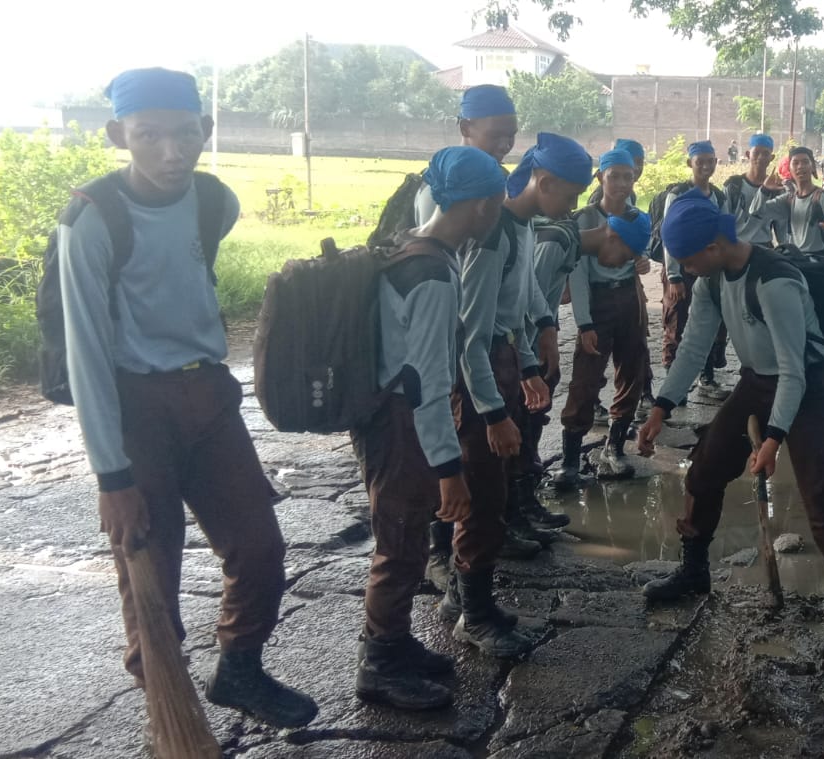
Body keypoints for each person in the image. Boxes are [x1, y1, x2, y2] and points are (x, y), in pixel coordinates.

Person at [58, 67, 317, 729]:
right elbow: (86, 351)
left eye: (183, 133)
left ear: (204, 129)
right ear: (120, 134)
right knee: (150, 576)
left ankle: (240, 667)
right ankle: (168, 715)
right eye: (148, 135)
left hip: (209, 395)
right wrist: (111, 475)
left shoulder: (212, 200)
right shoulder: (93, 220)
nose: (170, 151)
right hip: (134, 407)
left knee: (259, 545)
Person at [636, 195, 824, 660]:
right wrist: (662, 406)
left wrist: (773, 439)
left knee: (822, 503)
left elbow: (794, 370)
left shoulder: (775, 281)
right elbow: (693, 346)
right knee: (705, 469)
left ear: (713, 246)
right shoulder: (713, 282)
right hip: (756, 381)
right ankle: (694, 570)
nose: (686, 270)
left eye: (689, 260)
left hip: (807, 386)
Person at [351, 145, 508, 710]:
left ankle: (393, 642)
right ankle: (379, 665)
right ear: (485, 205)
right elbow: (426, 382)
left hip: (387, 414)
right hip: (402, 422)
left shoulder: (407, 244)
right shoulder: (435, 272)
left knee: (408, 535)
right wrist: (449, 470)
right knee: (399, 541)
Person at [416, 90, 571, 600]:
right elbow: (467, 323)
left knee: (490, 470)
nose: (504, 142)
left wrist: (532, 343)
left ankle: (487, 546)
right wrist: (488, 407)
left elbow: (518, 287)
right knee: (461, 470)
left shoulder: (502, 209)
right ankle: (448, 567)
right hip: (455, 356)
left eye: (511, 133)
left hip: (492, 345)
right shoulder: (460, 203)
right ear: (464, 128)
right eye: (494, 133)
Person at [556, 148, 653, 484]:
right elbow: (578, 276)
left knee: (632, 369)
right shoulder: (582, 221)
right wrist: (584, 323)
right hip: (596, 302)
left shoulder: (637, 218)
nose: (622, 183)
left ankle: (615, 446)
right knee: (586, 376)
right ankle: (570, 458)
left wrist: (642, 263)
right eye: (615, 176)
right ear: (601, 177)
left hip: (629, 297)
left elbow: (642, 257)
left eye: (629, 176)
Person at [659, 141, 731, 395]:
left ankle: (707, 377)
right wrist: (674, 274)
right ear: (690, 162)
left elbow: (724, 233)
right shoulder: (678, 194)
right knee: (676, 323)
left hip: (709, 268)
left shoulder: (719, 196)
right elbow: (669, 236)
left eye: (710, 160)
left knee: (711, 320)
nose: (705, 166)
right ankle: (672, 385)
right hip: (681, 269)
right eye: (700, 160)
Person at [749, 147, 824, 257]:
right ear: (790, 169)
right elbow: (755, 212)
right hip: (795, 260)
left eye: (805, 162)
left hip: (817, 262)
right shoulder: (788, 199)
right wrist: (764, 189)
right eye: (795, 163)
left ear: (812, 167)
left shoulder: (821, 197)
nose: (800, 166)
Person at [723, 133, 780, 246]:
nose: (760, 157)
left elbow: (780, 226)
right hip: (737, 246)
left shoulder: (777, 188)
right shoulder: (733, 185)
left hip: (764, 248)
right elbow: (724, 220)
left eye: (765, 153)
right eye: (756, 153)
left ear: (771, 158)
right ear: (748, 154)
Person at [587, 138, 646, 206]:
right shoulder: (600, 197)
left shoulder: (630, 195)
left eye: (639, 162)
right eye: (631, 161)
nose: (636, 168)